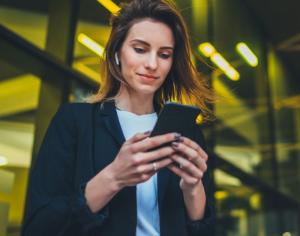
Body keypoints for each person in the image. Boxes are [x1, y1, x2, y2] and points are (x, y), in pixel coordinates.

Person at [22, 0, 214, 235]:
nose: (152, 64)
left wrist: (193, 188)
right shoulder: (75, 121)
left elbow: (206, 230)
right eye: (140, 49)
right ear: (116, 53)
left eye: (164, 54)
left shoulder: (187, 133)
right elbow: (39, 227)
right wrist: (113, 177)